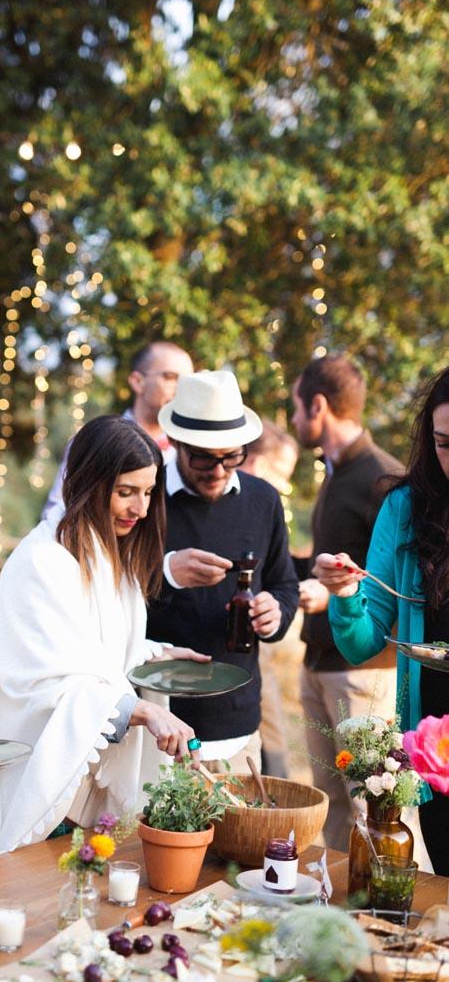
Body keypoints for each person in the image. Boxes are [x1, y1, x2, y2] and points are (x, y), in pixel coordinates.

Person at [0, 415, 208, 852]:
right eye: (125, 492)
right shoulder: (43, 562)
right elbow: (42, 679)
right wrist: (141, 711)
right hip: (41, 771)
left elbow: (91, 648)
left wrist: (154, 655)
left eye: (148, 492)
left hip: (86, 782)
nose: (140, 509)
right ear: (89, 482)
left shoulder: (110, 554)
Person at [313, 365, 449, 873]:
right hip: (437, 750)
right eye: (443, 444)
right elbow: (362, 641)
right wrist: (345, 593)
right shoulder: (405, 508)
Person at [146, 371, 299, 774]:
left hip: (239, 721)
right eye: (203, 458)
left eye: (231, 457)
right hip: (156, 724)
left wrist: (276, 612)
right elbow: (108, 592)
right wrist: (166, 572)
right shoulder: (146, 496)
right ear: (176, 441)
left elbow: (284, 583)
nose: (218, 471)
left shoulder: (263, 499)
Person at [291, 354, 403, 849]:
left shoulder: (384, 478)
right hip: (317, 662)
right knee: (330, 804)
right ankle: (338, 897)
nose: (294, 419)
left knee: (375, 807)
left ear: (318, 406)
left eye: (297, 407)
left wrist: (338, 596)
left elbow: (403, 579)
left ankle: (386, 898)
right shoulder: (335, 471)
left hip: (363, 673)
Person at [41, 341, 194, 517]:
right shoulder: (97, 440)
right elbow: (57, 510)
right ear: (138, 382)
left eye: (187, 382)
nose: (181, 390)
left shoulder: (190, 449)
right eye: (170, 377)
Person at [239, 419, 299, 779]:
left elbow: (282, 580)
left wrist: (277, 607)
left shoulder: (265, 507)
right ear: (259, 462)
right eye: (281, 472)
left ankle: (278, 789)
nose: (285, 484)